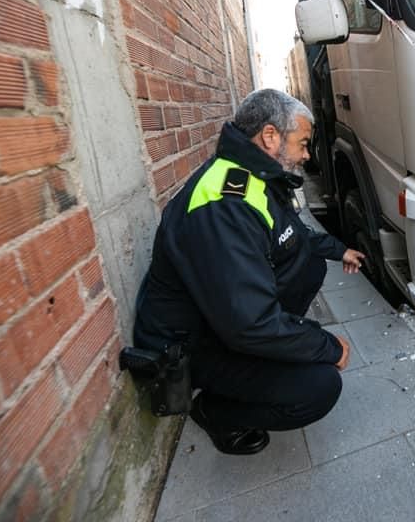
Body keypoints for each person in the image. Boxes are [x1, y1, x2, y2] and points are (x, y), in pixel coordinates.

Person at [134, 88, 365, 455]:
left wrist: (339, 250)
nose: (307, 155)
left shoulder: (254, 175)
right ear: (270, 136)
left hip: (223, 320)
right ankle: (215, 411)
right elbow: (250, 323)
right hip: (190, 345)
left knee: (309, 265)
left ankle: (269, 353)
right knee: (319, 386)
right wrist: (323, 345)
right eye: (303, 144)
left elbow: (293, 236)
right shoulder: (223, 205)